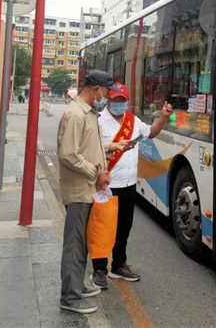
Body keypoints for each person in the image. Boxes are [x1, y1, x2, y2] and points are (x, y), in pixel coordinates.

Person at [57, 70, 132, 314]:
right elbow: (68, 154)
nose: (107, 97)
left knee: (83, 242)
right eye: (107, 92)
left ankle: (76, 285)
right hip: (79, 189)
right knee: (75, 243)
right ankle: (70, 296)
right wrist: (95, 173)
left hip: (88, 189)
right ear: (96, 89)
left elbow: (89, 144)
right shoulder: (75, 115)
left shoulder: (88, 113)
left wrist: (112, 146)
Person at [91, 83, 173, 289]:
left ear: (126, 101)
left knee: (124, 228)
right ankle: (99, 269)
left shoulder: (132, 120)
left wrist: (163, 117)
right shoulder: (98, 121)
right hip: (107, 185)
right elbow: (90, 149)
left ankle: (119, 265)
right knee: (103, 228)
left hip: (129, 184)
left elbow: (151, 133)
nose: (119, 103)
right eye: (116, 100)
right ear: (109, 101)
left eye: (122, 100)